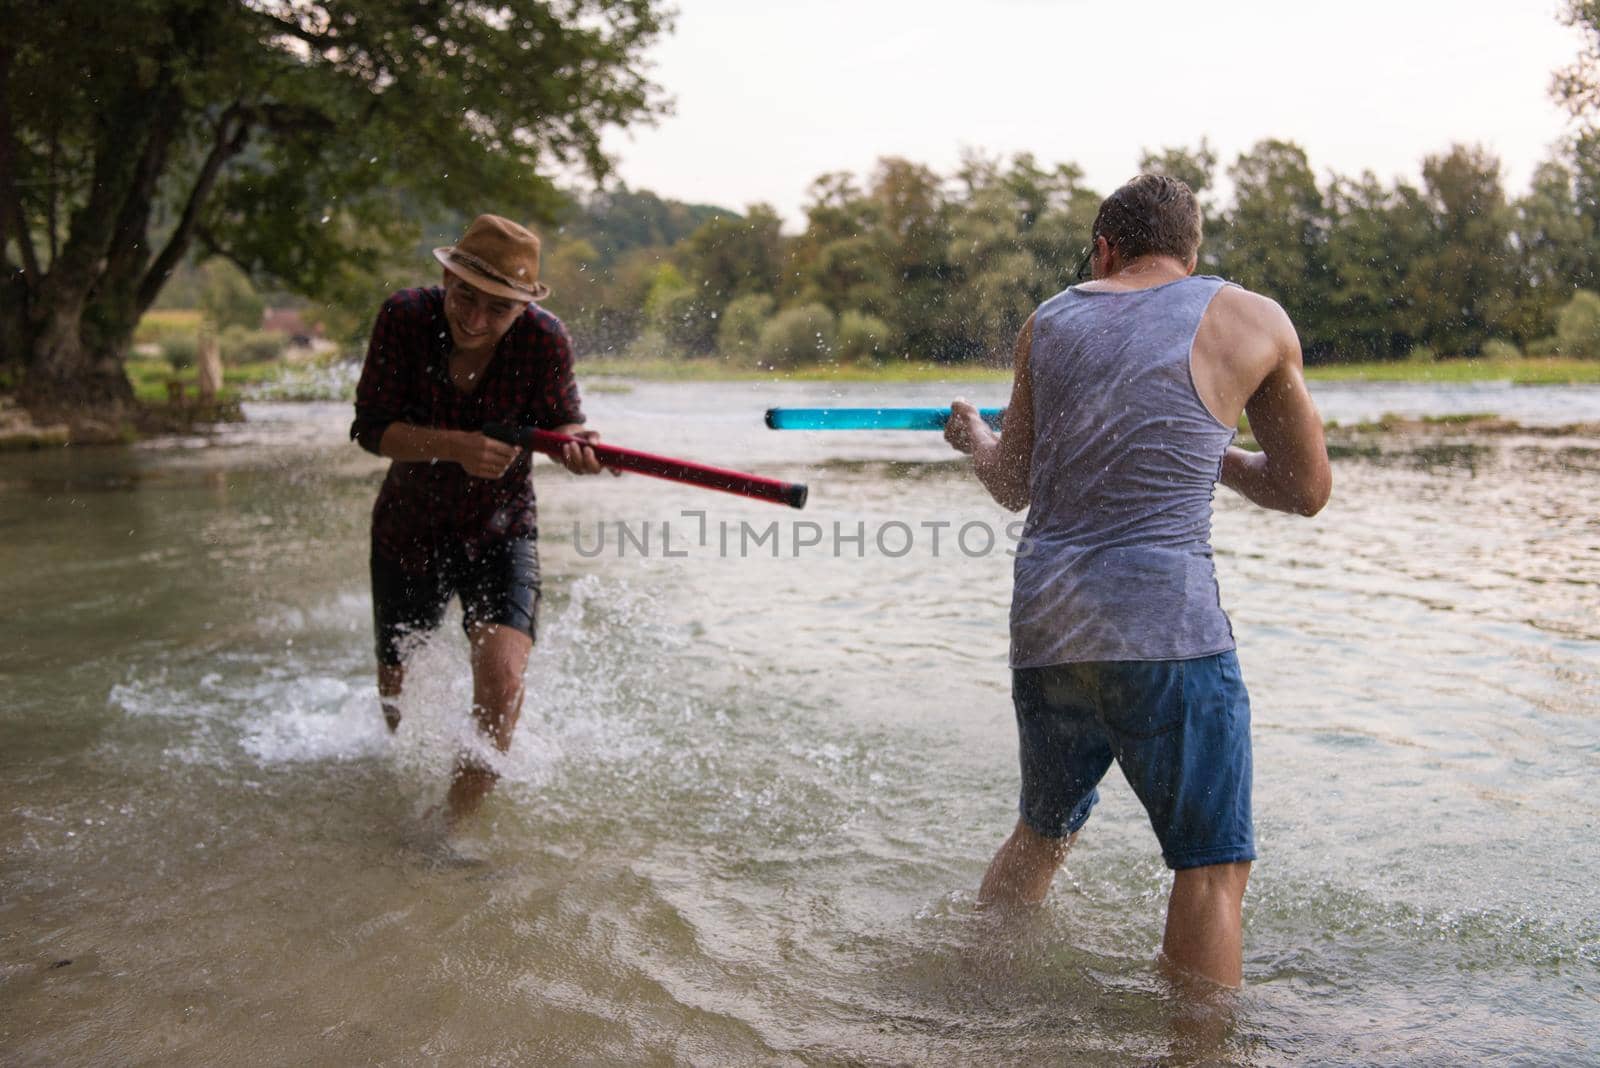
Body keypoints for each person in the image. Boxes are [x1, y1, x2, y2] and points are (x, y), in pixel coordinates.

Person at [944, 174, 1331, 988]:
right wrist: (1214, 451)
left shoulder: (1048, 320)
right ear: (1191, 256)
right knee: (1211, 869)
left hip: (1048, 631)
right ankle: (1196, 1048)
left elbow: (1013, 481)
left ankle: (978, 994)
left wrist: (975, 435)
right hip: (1167, 632)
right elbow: (1305, 489)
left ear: (1104, 249)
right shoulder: (1251, 319)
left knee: (1041, 834)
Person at [351, 213, 610, 825]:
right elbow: (369, 431)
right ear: (445, 275)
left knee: (499, 685)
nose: (475, 318)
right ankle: (395, 788)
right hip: (407, 526)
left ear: (523, 308)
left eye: (498, 309)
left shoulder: (545, 339)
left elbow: (564, 423)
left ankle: (451, 829)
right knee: (397, 695)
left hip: (503, 528)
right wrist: (457, 445)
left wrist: (578, 446)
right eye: (465, 296)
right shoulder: (404, 317)